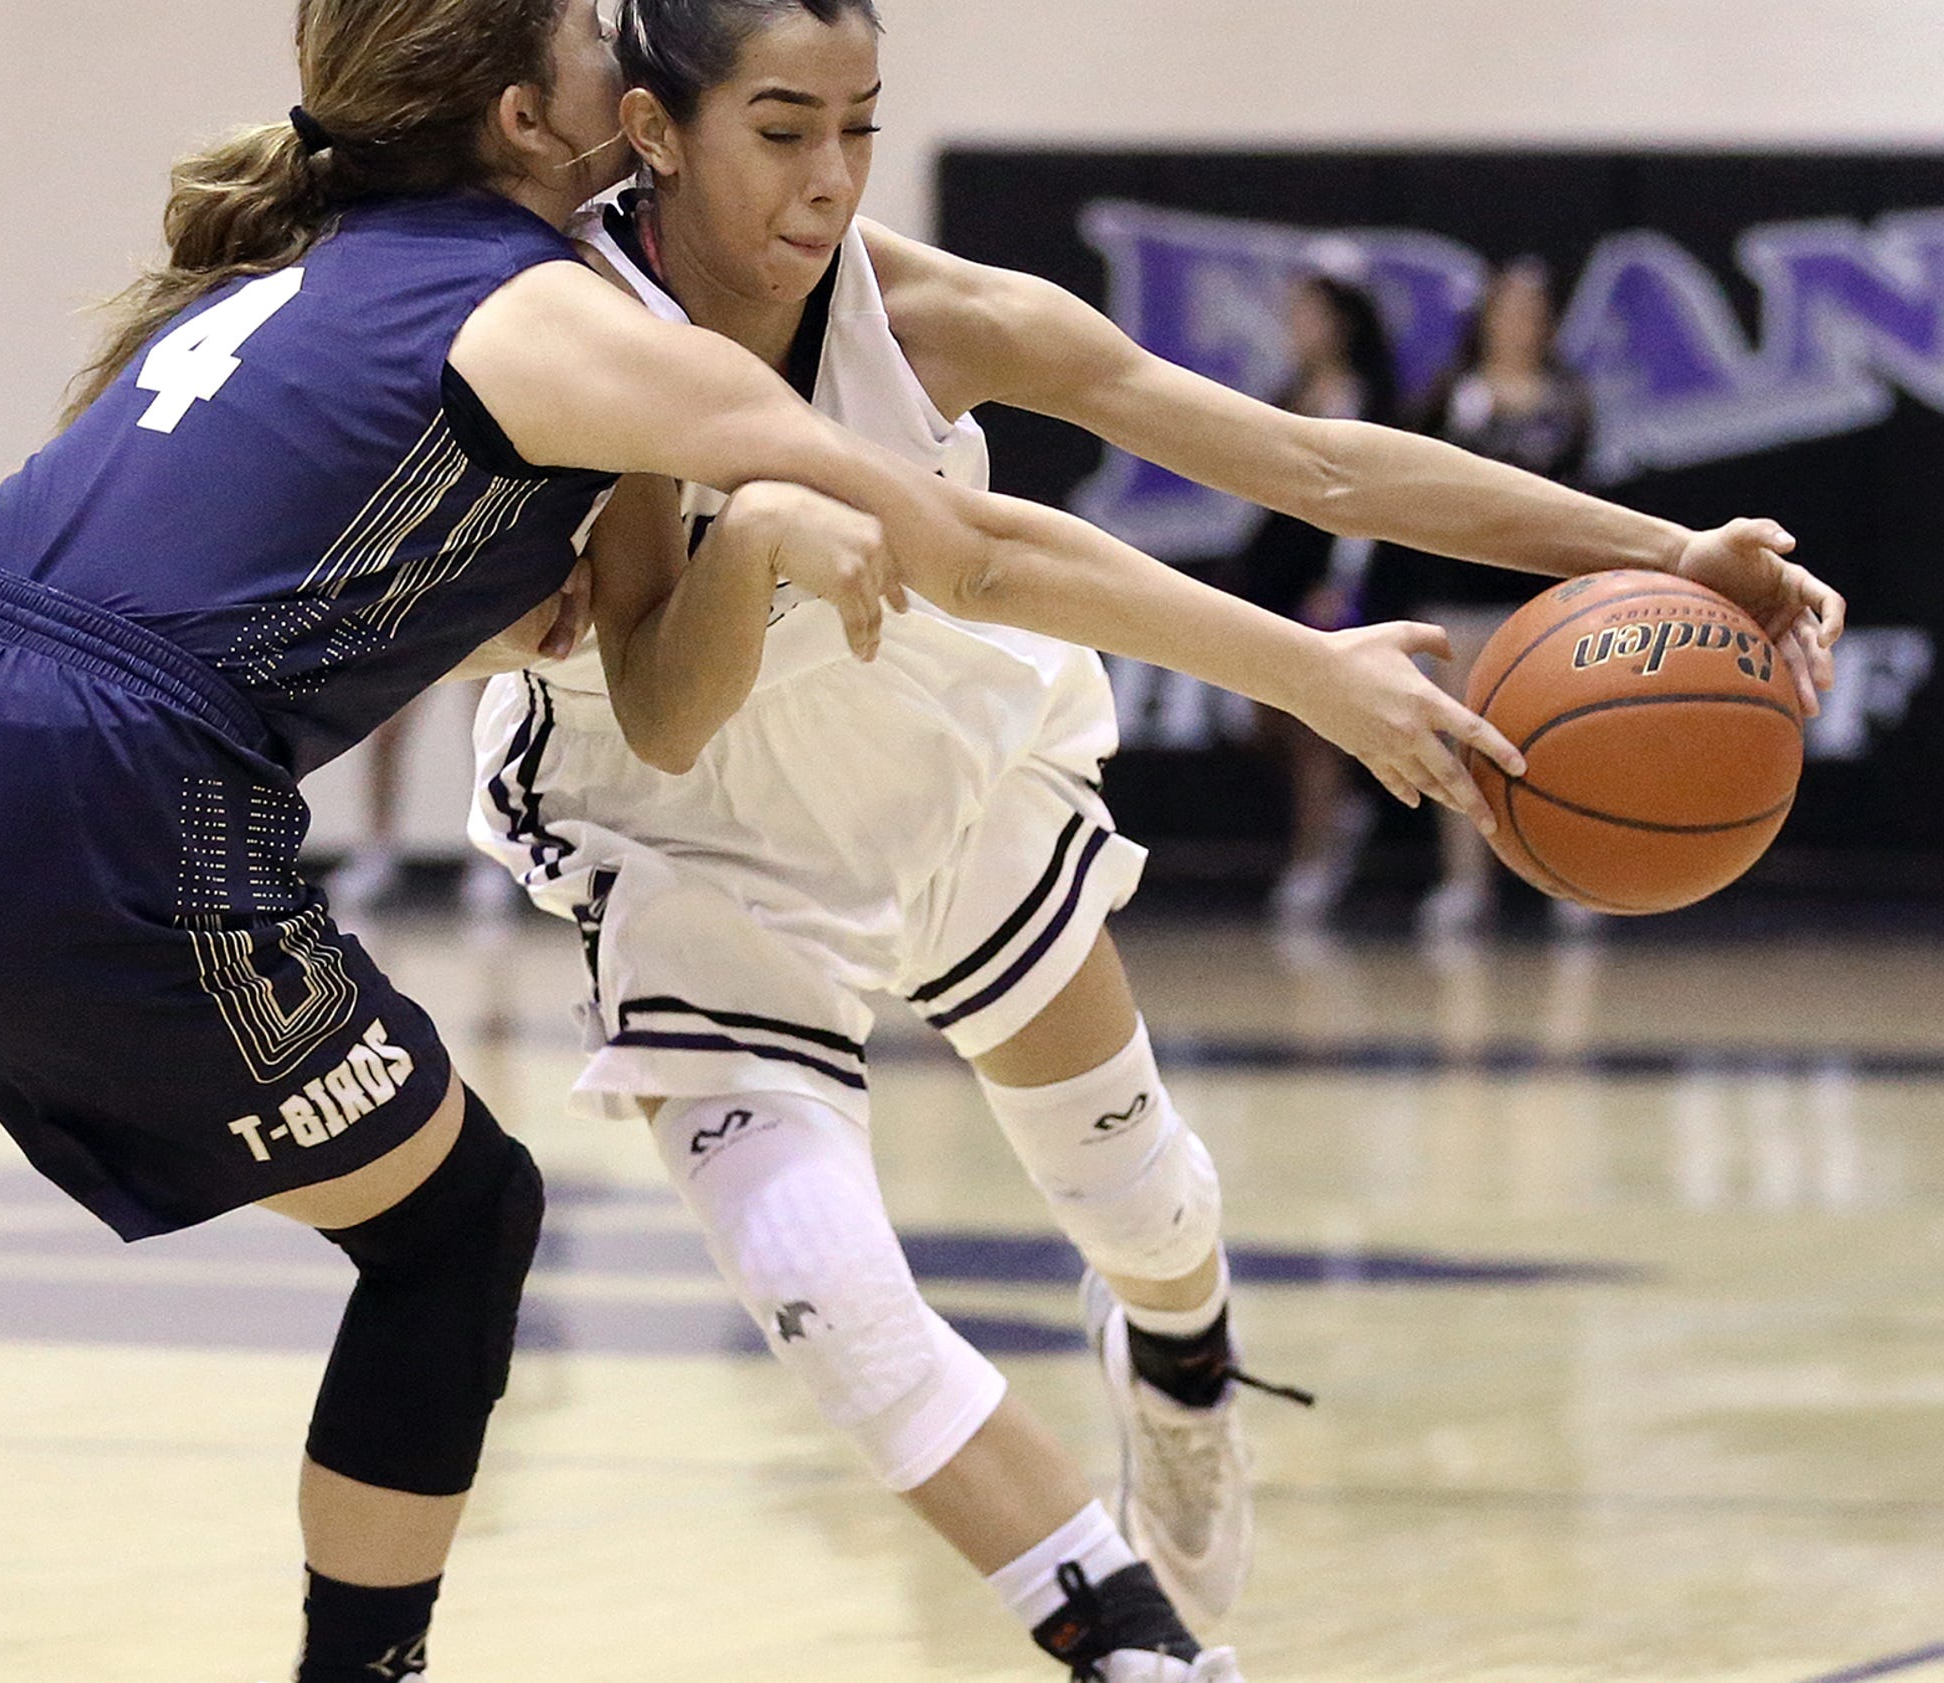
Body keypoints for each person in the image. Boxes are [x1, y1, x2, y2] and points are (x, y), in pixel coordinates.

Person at [0, 0, 1501, 1675]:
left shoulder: (305, 272)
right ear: (526, 114)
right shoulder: (575, 314)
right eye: (605, 45)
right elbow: (955, 535)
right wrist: (1283, 660)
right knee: (459, 1221)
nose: (637, 62)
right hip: (103, 777)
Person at [466, 1, 1845, 1673]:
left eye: (859, 124)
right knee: (832, 1302)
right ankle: (1133, 1644)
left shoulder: (927, 312)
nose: (827, 178)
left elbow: (1311, 467)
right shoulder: (565, 318)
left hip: (920, 729)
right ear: (653, 129)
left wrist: (1669, 548)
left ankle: (1180, 1363)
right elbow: (679, 714)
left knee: (1138, 1205)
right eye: (780, 127)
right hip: (683, 818)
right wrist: (1299, 673)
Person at [1368, 257, 1598, 939]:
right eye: (1507, 309)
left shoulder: (1566, 398)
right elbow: (1417, 483)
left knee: (1564, 738)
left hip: (1544, 599)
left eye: (1531, 311)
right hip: (1460, 594)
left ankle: (1571, 873)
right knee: (1460, 738)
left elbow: (1583, 498)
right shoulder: (1454, 393)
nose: (1518, 323)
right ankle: (1463, 881)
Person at [1233, 272, 1400, 926]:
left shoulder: (1369, 399)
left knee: (1312, 728)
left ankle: (1314, 859)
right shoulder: (1287, 393)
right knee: (1265, 712)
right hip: (1277, 568)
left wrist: (1344, 582)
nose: (1295, 325)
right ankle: (1343, 810)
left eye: (1308, 313)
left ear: (1340, 322)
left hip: (1336, 573)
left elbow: (1367, 501)